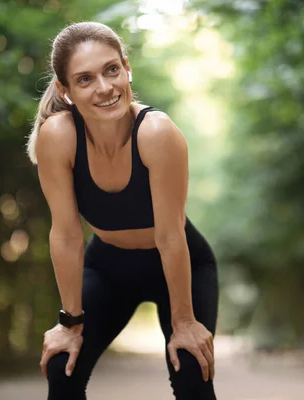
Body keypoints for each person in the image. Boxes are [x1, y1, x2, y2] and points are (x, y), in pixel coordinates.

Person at [25, 21, 219, 400]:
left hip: (179, 262)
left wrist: (184, 322)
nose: (104, 87)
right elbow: (66, 234)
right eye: (85, 79)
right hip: (108, 265)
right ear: (65, 90)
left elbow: (169, 235)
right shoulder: (59, 136)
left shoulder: (157, 133)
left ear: (126, 67)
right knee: (62, 370)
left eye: (111, 69)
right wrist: (69, 323)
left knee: (192, 374)